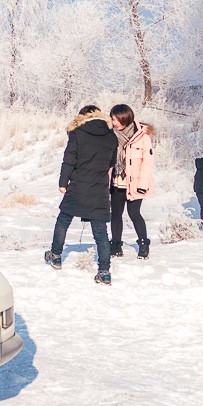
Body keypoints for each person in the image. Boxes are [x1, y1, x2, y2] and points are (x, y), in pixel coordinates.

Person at [47, 105, 118, 284]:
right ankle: (104, 272)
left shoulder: (77, 133)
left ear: (82, 117)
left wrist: (63, 183)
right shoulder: (111, 136)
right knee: (100, 232)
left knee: (63, 220)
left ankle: (55, 255)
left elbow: (69, 160)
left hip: (78, 185)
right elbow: (111, 162)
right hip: (99, 188)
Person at [107, 105, 154, 260]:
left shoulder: (142, 137)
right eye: (112, 119)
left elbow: (147, 163)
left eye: (116, 119)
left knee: (134, 213)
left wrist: (142, 185)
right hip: (116, 181)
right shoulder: (110, 135)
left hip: (134, 183)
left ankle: (143, 244)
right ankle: (115, 245)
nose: (114, 122)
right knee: (115, 214)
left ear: (125, 117)